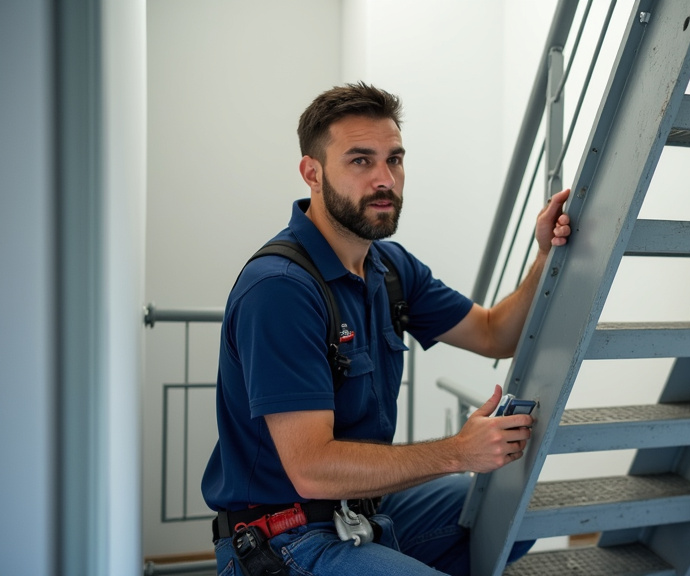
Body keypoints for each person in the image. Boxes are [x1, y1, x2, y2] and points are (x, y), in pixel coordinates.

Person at [201, 82, 571, 576]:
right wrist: (458, 451)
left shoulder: (390, 268)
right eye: (360, 161)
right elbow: (311, 468)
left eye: (394, 159)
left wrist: (545, 257)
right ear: (312, 173)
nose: (385, 179)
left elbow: (492, 334)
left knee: (520, 511)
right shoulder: (280, 289)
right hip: (284, 539)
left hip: (363, 511)